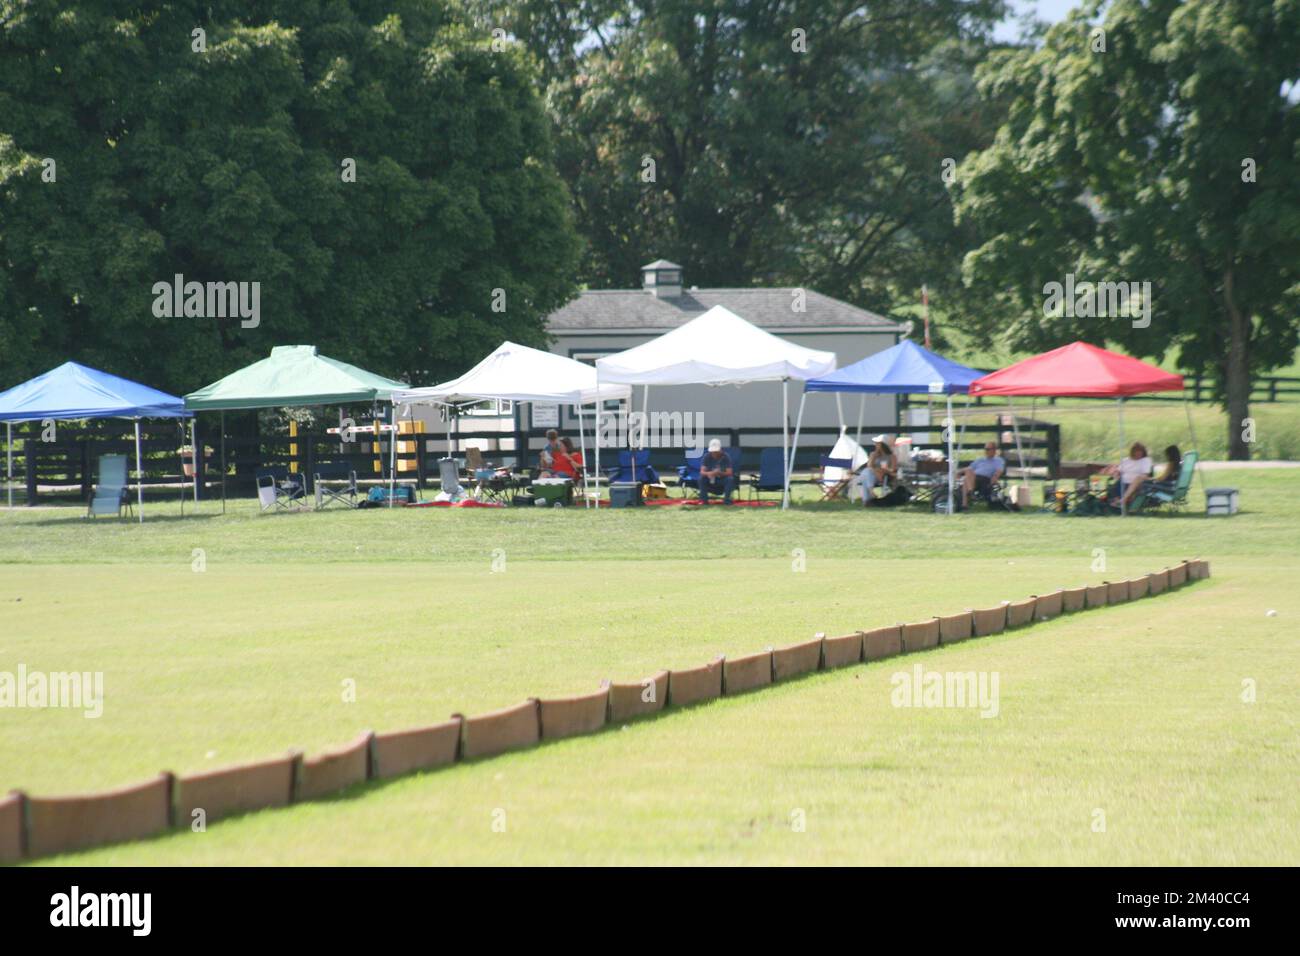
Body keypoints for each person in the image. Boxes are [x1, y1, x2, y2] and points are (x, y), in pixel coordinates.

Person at [1103, 441, 1153, 508]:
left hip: (1137, 484)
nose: (1139, 453)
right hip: (1122, 482)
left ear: (1144, 452)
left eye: (1141, 451)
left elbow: (1145, 474)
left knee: (1139, 477)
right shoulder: (1125, 460)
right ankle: (1118, 504)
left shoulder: (1146, 460)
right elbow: (1118, 471)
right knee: (1114, 487)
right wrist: (1116, 475)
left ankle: (1123, 500)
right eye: (1137, 451)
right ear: (1132, 452)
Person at [959, 441, 1006, 509]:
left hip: (985, 480)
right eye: (985, 449)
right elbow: (969, 468)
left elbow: (999, 471)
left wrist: (995, 478)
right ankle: (968, 499)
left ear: (994, 450)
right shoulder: (980, 459)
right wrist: (957, 473)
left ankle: (966, 500)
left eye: (987, 449)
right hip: (973, 478)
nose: (986, 451)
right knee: (966, 476)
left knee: (966, 479)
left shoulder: (998, 460)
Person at [860, 436, 897, 503]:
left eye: (877, 443)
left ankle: (867, 499)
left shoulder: (891, 456)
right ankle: (870, 493)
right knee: (867, 473)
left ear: (883, 445)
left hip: (884, 476)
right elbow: (869, 466)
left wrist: (880, 470)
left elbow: (892, 470)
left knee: (865, 474)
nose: (875, 445)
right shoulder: (873, 454)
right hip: (874, 476)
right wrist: (873, 457)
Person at [699, 439, 735, 504]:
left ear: (720, 450)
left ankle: (727, 501)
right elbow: (702, 472)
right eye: (713, 451)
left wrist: (719, 473)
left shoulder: (726, 457)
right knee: (701, 479)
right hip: (710, 479)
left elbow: (729, 472)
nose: (714, 453)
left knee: (730, 479)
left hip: (721, 479)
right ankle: (704, 501)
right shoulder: (707, 457)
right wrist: (709, 473)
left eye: (716, 451)